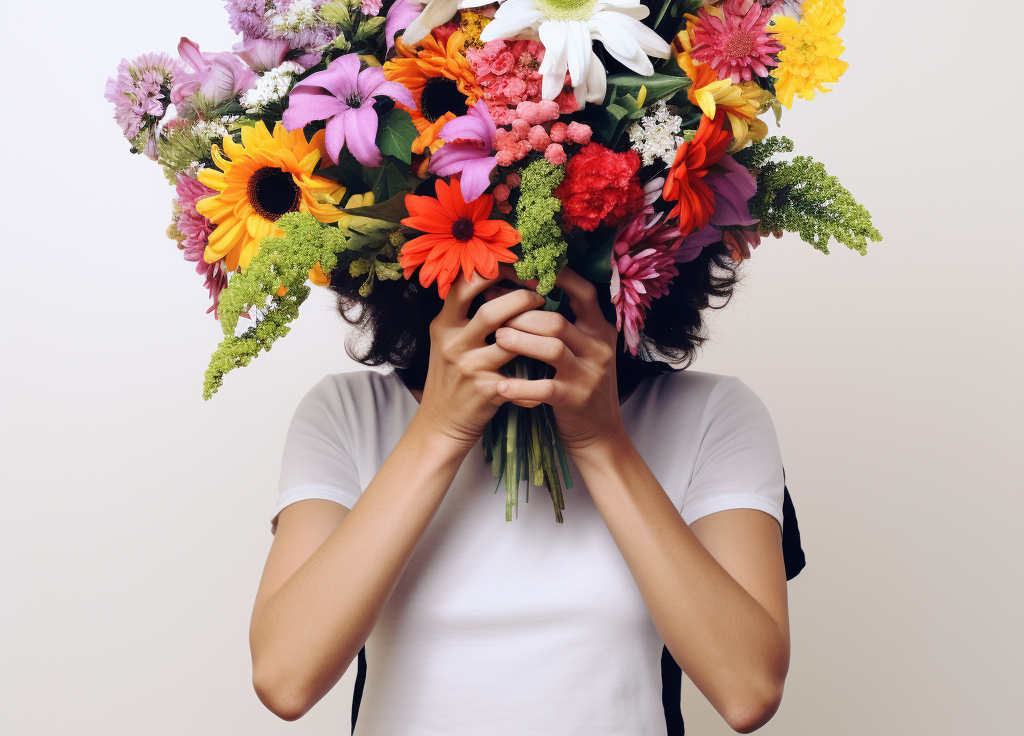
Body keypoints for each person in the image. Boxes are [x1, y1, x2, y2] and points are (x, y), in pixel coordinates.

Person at [249, 242, 794, 734]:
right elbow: (285, 679)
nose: (516, 267)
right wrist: (441, 429)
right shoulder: (348, 411)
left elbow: (746, 692)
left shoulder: (711, 413)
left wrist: (602, 440)